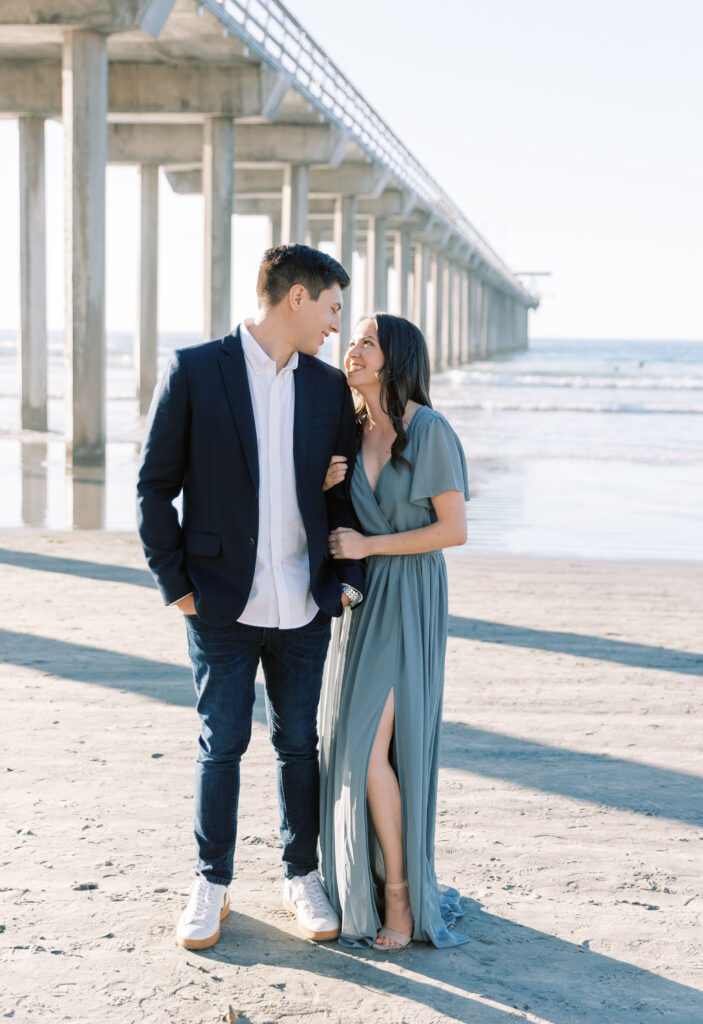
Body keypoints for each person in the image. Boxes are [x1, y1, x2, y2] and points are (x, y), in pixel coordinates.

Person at [136, 245, 365, 950]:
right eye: (331, 307)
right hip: (219, 602)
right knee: (222, 745)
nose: (335, 323)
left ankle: (302, 875)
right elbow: (153, 486)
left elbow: (342, 493)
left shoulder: (329, 389)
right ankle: (211, 884)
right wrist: (175, 584)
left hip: (303, 601)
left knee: (300, 743)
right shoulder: (196, 370)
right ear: (295, 298)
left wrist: (346, 573)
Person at [318, 312, 470, 950]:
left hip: (408, 599)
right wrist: (322, 486)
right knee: (348, 751)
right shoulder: (349, 432)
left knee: (368, 751)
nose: (352, 349)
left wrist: (372, 543)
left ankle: (400, 897)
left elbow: (453, 531)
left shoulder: (428, 430)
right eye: (351, 339)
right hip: (363, 604)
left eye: (367, 342)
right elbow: (333, 530)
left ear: (396, 357)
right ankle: (373, 885)